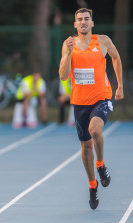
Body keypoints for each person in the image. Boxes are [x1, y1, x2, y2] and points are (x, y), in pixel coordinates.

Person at [59, 8, 123, 210]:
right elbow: (62, 75)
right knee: (86, 148)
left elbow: (116, 57)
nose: (83, 22)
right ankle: (92, 185)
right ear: (75, 24)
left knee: (95, 130)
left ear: (92, 23)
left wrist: (119, 85)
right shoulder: (68, 44)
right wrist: (68, 53)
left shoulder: (102, 41)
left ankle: (101, 164)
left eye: (87, 19)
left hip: (100, 98)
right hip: (79, 102)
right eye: (80, 19)